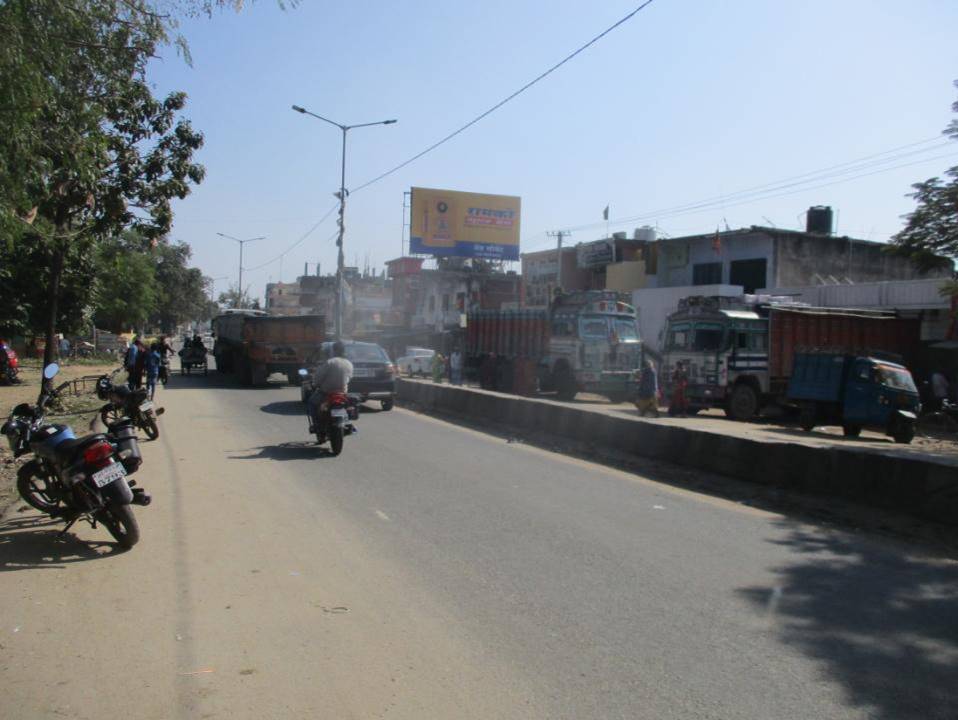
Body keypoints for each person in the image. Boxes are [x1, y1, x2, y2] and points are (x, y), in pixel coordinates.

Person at [308, 341, 354, 432]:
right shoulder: (349, 364)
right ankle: (348, 423)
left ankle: (317, 425)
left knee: (311, 404)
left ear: (334, 350)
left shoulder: (330, 362)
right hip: (342, 393)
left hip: (326, 393)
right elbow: (350, 378)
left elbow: (318, 377)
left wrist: (315, 384)